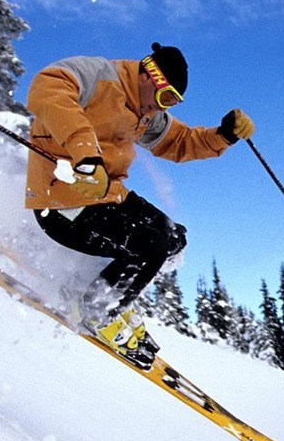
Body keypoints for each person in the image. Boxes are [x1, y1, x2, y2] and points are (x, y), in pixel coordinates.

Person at [24, 42, 254, 365]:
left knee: (172, 237)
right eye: (165, 97)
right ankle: (94, 308)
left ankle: (101, 289)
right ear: (149, 76)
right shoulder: (101, 77)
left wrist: (224, 136)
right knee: (151, 246)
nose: (163, 109)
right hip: (62, 198)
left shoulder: (145, 113)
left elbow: (179, 141)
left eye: (172, 102)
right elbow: (47, 86)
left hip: (106, 196)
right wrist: (85, 154)